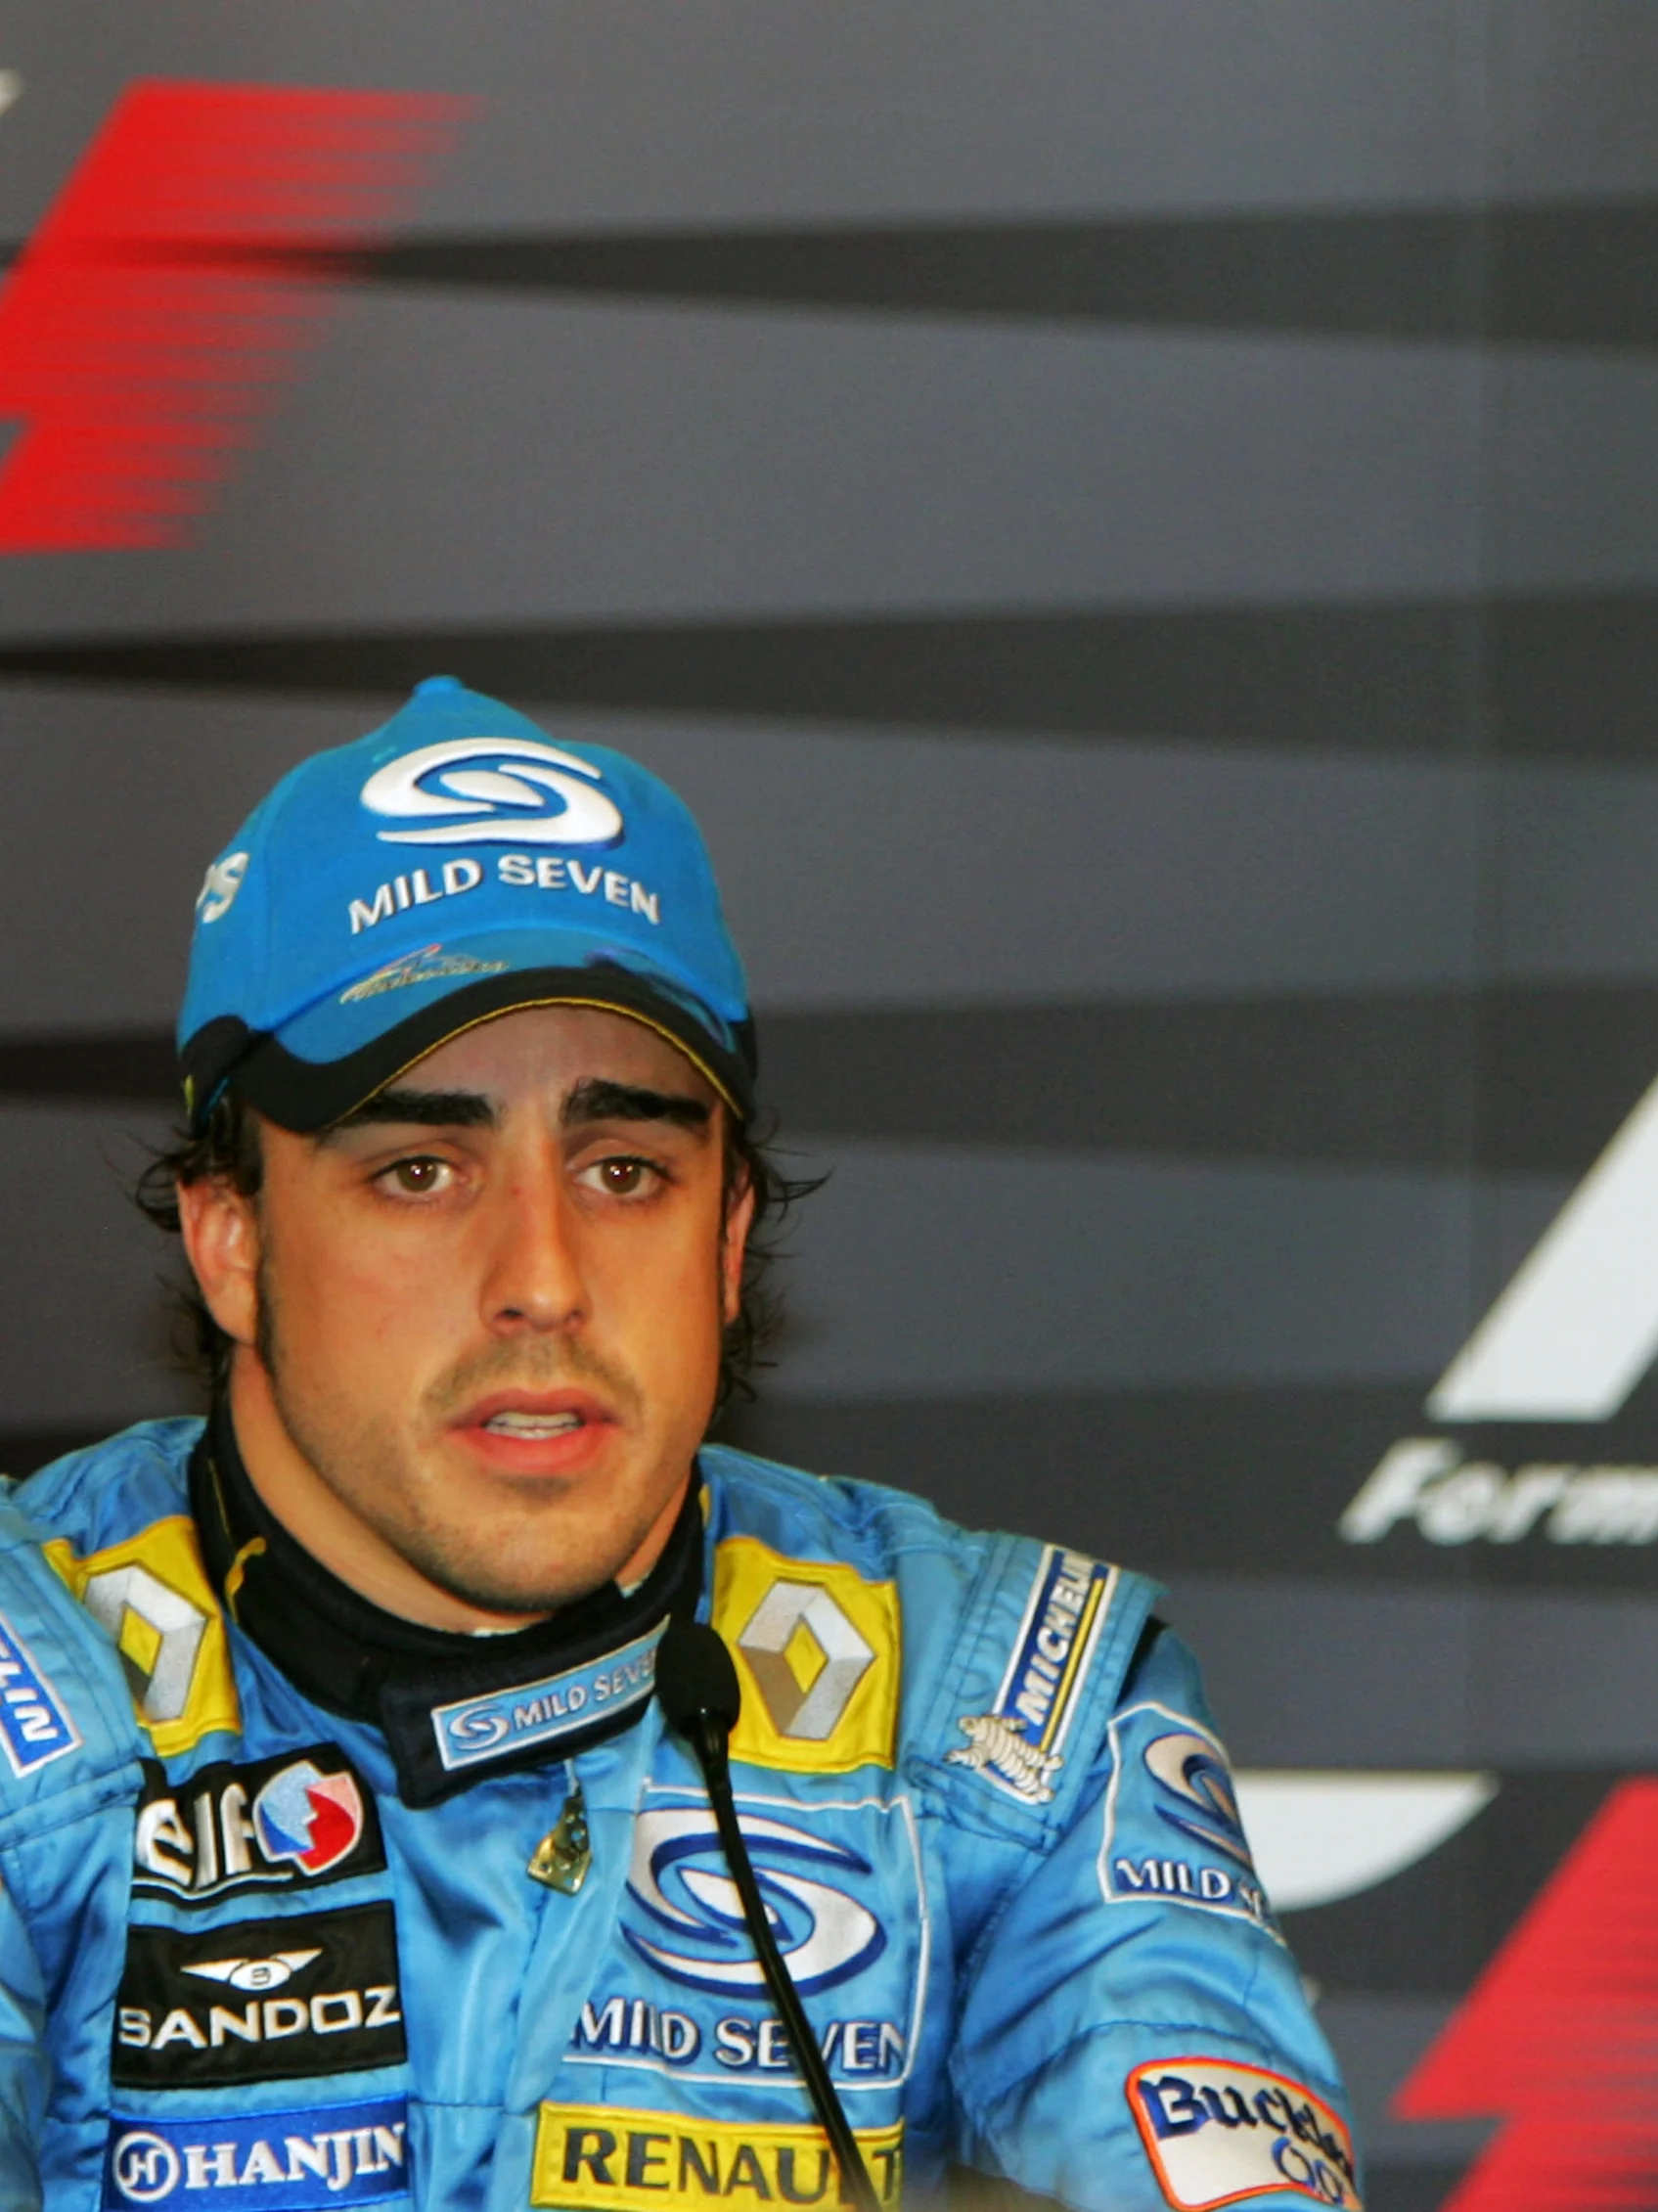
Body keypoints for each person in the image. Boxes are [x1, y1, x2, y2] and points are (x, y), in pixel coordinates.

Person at [0, 680, 1354, 2210]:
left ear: (728, 1238)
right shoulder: (31, 1685)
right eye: (423, 1169)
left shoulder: (1005, 1717)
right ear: (233, 1242)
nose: (544, 1280)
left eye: (626, 1168)